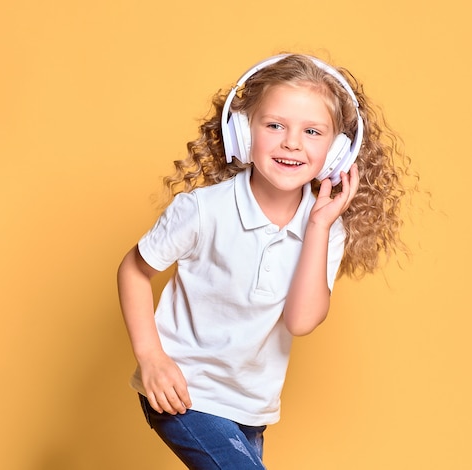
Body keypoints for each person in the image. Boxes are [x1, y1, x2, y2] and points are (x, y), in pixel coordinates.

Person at [117, 53, 413, 469]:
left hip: (252, 405)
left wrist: (319, 226)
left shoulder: (327, 228)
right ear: (243, 132)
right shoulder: (204, 210)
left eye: (312, 131)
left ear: (337, 154)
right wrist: (151, 358)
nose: (292, 142)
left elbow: (301, 321)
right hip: (184, 392)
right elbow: (134, 268)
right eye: (275, 125)